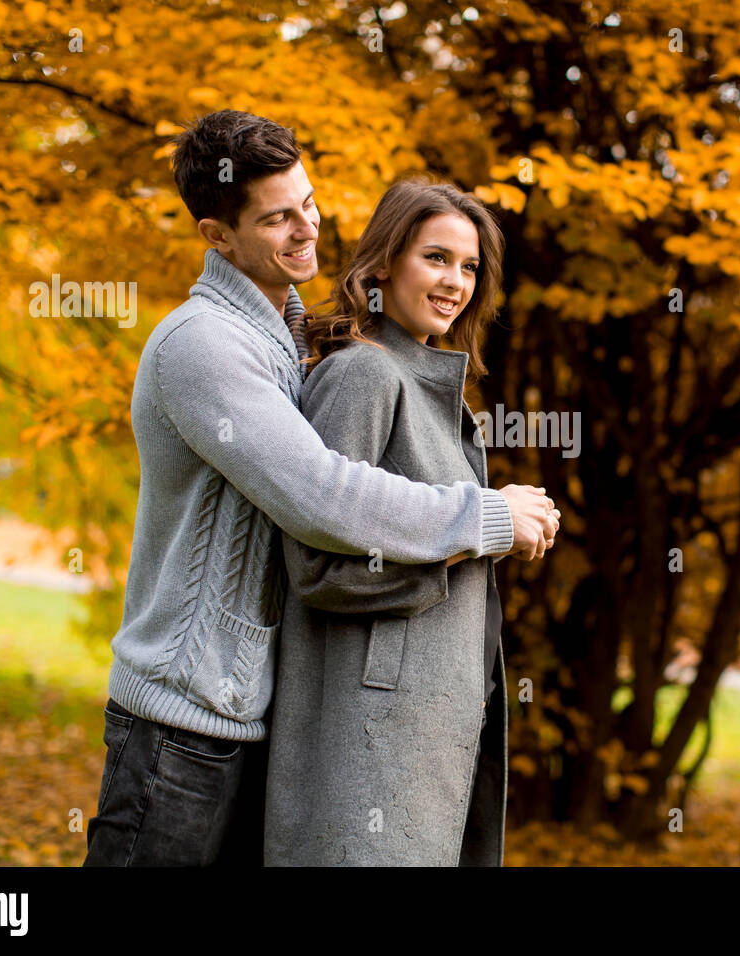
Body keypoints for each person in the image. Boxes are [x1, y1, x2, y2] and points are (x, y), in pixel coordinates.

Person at [83, 111, 560, 866]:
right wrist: (488, 517)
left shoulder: (290, 343)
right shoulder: (206, 344)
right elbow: (325, 496)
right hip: (181, 721)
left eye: (308, 203)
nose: (307, 228)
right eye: (278, 217)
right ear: (218, 235)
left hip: (251, 719)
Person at [265, 179, 527, 866]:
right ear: (384, 264)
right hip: (366, 746)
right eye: (436, 258)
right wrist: (478, 536)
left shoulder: (434, 389)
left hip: (420, 737)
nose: (456, 282)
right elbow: (318, 571)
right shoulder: (364, 377)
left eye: (470, 267)